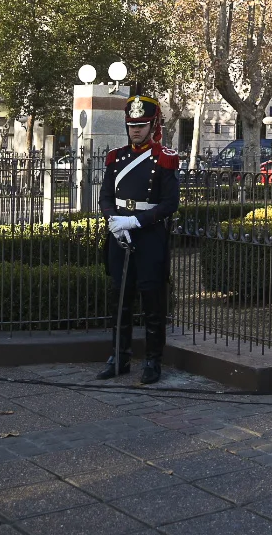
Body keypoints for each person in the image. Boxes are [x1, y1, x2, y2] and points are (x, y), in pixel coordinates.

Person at [97, 94, 180, 384]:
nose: (136, 130)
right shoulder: (115, 157)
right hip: (120, 235)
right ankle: (118, 357)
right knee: (121, 299)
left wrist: (136, 220)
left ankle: (152, 361)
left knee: (151, 301)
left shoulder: (164, 159)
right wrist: (114, 221)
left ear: (153, 124)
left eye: (142, 125)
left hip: (149, 237)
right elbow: (105, 196)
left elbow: (170, 203)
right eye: (132, 124)